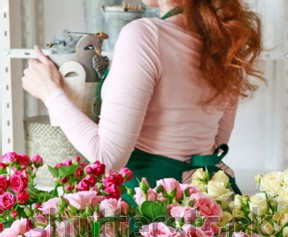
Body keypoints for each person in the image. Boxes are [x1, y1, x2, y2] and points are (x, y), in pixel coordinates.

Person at [22, 0, 264, 192]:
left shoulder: (145, 35)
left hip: (150, 203)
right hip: (209, 199)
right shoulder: (225, 42)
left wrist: (50, 92)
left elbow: (106, 158)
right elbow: (218, 139)